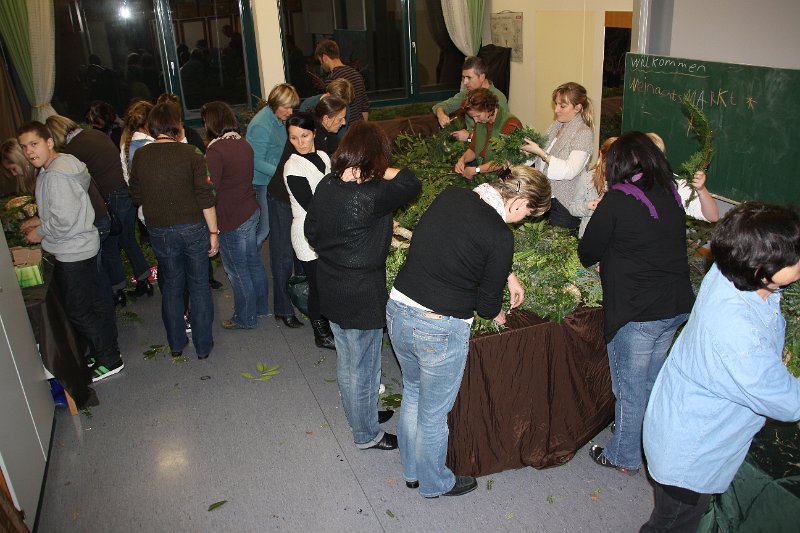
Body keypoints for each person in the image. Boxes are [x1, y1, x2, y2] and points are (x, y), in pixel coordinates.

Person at [387, 166, 551, 498]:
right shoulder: (500, 235)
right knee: (434, 415)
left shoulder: (453, 195)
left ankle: (412, 471)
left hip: (398, 309)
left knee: (414, 394)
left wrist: (507, 272)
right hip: (438, 327)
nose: (523, 219)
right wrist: (501, 313)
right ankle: (435, 483)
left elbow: (457, 240)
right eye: (528, 212)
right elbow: (488, 306)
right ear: (519, 200)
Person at [641, 202, 800, 533]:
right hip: (692, 455)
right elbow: (790, 403)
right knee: (670, 525)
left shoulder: (731, 267)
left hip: (683, 417)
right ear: (763, 272)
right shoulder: (738, 336)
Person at [577, 131, 694, 476]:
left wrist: (609, 252)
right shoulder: (670, 192)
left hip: (638, 311)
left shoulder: (616, 200)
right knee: (650, 382)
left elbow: (587, 253)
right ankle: (644, 436)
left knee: (628, 386)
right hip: (675, 305)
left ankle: (624, 455)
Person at [305, 121, 421, 451]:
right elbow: (411, 181)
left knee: (349, 361)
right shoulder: (373, 194)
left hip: (331, 284)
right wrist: (378, 170)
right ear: (375, 159)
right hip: (361, 294)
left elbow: (311, 232)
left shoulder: (327, 185)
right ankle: (366, 434)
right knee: (362, 366)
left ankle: (364, 413)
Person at [17, 121, 123, 382]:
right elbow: (63, 211)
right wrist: (41, 221)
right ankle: (106, 352)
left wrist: (39, 232)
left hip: (73, 252)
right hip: (83, 244)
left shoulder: (56, 175)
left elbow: (64, 221)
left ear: (49, 142)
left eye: (34, 144)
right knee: (97, 301)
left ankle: (109, 358)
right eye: (24, 147)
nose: (30, 152)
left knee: (79, 310)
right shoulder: (57, 166)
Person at [129, 102, 218, 360]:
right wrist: (213, 233)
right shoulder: (191, 153)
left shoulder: (141, 156)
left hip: (159, 230)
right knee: (199, 284)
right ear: (177, 126)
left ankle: (176, 344)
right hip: (192, 227)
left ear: (152, 126)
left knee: (171, 286)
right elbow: (206, 197)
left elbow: (135, 194)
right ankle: (203, 346)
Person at [46, 114, 152, 307]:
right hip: (124, 192)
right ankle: (144, 280)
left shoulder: (72, 151)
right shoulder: (95, 134)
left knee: (110, 246)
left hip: (108, 198)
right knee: (128, 239)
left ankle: (117, 290)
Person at [201, 101, 269, 330]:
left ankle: (245, 317)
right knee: (253, 262)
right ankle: (260, 309)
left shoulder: (215, 150)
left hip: (231, 217)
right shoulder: (243, 144)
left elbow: (211, 189)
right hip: (250, 209)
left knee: (237, 271)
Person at [282, 112, 335, 349]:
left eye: (304, 136)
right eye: (293, 138)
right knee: (317, 285)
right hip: (307, 232)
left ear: (314, 132)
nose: (300, 142)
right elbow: (312, 206)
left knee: (328, 281)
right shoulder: (292, 167)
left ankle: (330, 325)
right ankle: (321, 334)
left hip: (328, 226)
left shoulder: (323, 156)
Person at [521, 82, 595, 230]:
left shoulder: (583, 133)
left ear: (578, 107)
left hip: (564, 205)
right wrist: (529, 153)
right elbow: (542, 160)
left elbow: (569, 171)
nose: (556, 110)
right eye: (556, 104)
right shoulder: (555, 126)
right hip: (546, 196)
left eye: (562, 106)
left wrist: (540, 153)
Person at [246, 83, 300, 249]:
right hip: (261, 182)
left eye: (292, 108)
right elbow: (256, 161)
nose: (290, 112)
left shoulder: (279, 118)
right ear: (275, 103)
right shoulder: (261, 125)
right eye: (286, 108)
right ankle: (250, 259)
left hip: (273, 178)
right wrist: (283, 172)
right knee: (264, 229)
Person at [646, 132, 720, 223]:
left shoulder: (676, 185)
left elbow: (713, 216)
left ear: (664, 159)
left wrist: (701, 189)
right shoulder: (627, 183)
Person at [432, 56, 510, 141]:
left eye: (469, 77)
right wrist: (441, 114)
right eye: (463, 77)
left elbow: (502, 136)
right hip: (470, 146)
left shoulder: (498, 98)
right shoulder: (468, 93)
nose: (465, 82)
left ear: (482, 77)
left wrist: (469, 136)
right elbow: (441, 106)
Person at [454, 88, 522, 180]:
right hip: (485, 175)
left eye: (477, 116)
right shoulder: (482, 121)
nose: (475, 120)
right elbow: (473, 149)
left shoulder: (510, 124)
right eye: (472, 117)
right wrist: (462, 159)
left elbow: (502, 161)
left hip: (506, 178)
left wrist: (476, 170)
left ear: (489, 108)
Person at [568, 136, 616, 238]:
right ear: (601, 155)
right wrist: (590, 206)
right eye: (609, 162)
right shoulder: (587, 178)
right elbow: (572, 208)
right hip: (589, 237)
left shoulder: (627, 182)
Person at [315, 40, 369, 122]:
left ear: (325, 58)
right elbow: (364, 107)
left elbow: (332, 112)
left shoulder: (332, 79)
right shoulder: (356, 74)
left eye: (320, 61)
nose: (321, 65)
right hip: (358, 127)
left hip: (344, 131)